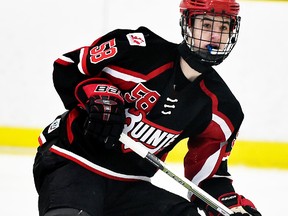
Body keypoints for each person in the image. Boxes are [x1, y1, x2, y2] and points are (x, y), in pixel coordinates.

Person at [33, 0, 262, 215]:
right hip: (72, 162)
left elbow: (208, 180)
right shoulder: (137, 51)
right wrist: (98, 93)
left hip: (131, 186)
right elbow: (68, 67)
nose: (214, 36)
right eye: (206, 24)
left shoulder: (223, 110)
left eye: (223, 27)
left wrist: (232, 206)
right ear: (187, 24)